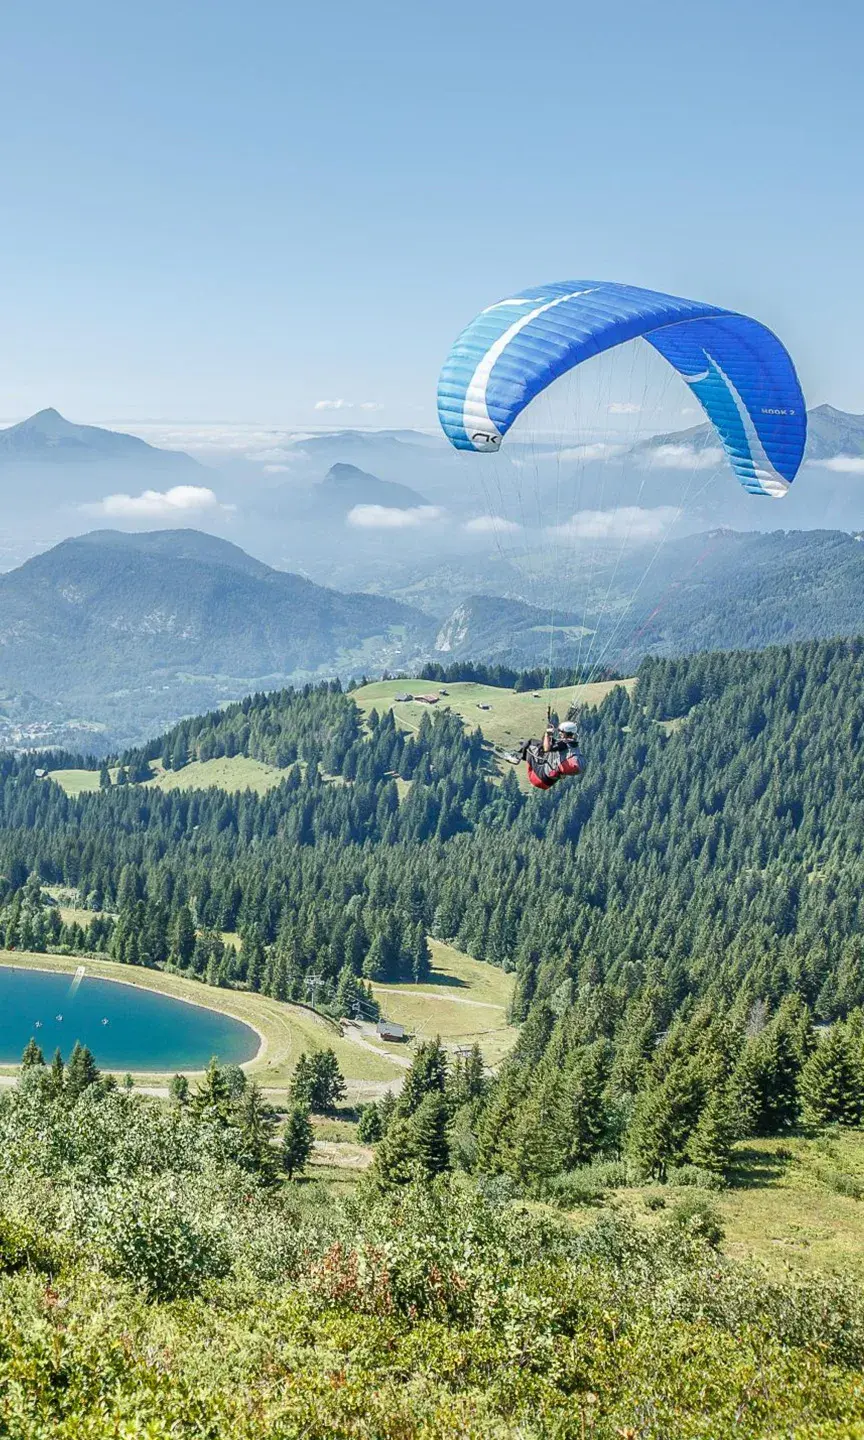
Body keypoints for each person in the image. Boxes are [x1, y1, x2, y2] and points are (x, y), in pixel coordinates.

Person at [507, 719, 583, 790]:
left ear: (565, 732)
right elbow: (548, 744)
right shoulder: (574, 746)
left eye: (561, 731)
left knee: (530, 742)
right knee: (540, 745)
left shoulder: (563, 744)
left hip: (541, 777)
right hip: (548, 782)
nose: (559, 733)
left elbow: (546, 749)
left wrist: (547, 734)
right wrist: (549, 736)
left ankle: (517, 758)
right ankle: (519, 756)